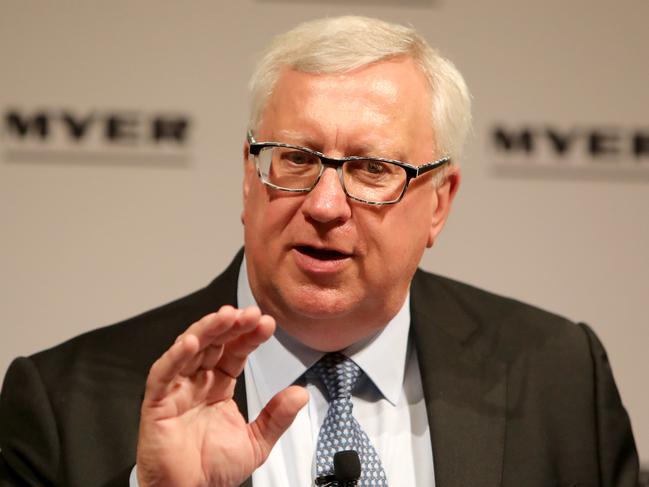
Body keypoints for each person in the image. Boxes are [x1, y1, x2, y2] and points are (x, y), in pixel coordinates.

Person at [0, 15, 639, 487]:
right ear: (248, 180)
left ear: (439, 202)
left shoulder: (560, 379)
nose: (326, 205)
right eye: (297, 159)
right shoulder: (63, 401)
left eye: (370, 168)